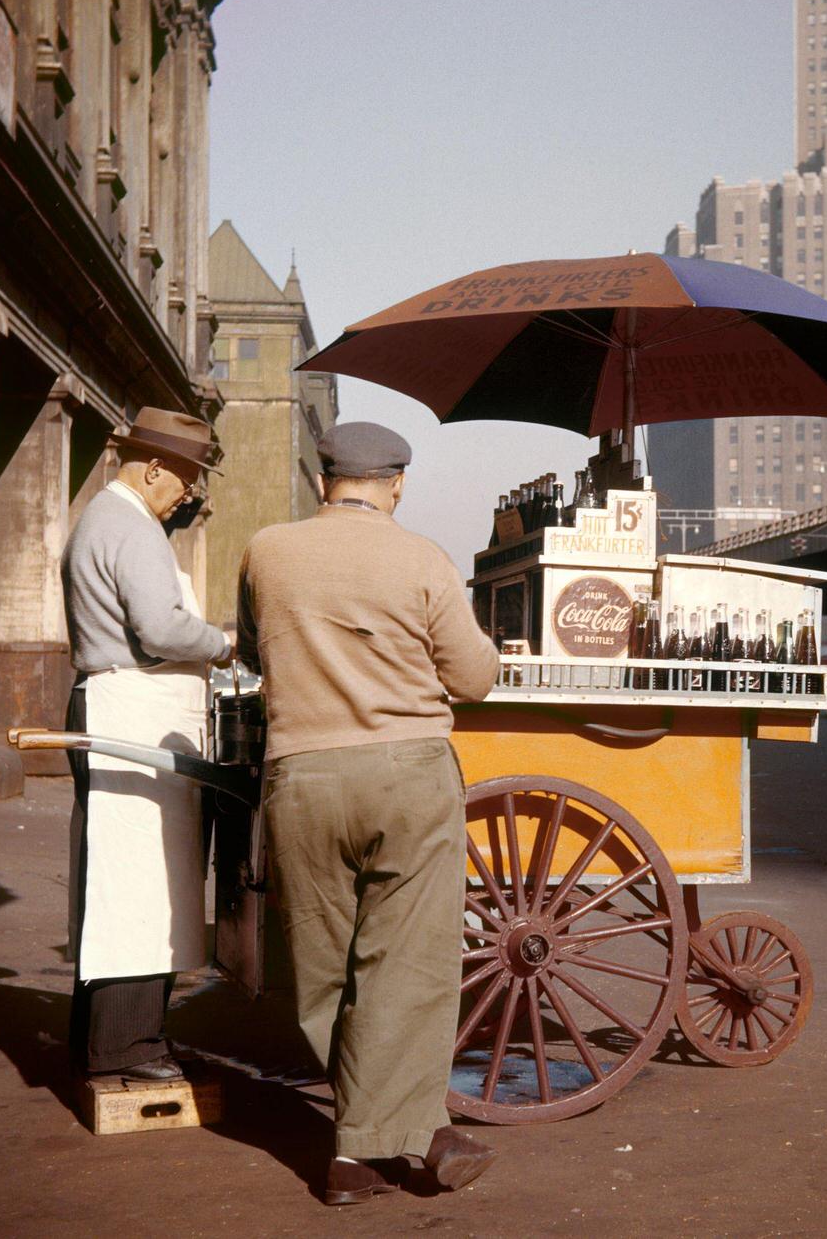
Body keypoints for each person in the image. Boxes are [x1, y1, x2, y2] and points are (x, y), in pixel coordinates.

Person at [237, 421, 501, 1206]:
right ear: (396, 484)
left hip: (302, 775)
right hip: (407, 776)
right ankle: (402, 1140)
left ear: (324, 481)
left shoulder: (266, 550)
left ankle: (363, 1154)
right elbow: (474, 677)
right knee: (408, 968)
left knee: (324, 972)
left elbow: (254, 651)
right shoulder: (423, 557)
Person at [61, 407, 232, 1082]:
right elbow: (160, 629)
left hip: (119, 707)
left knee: (118, 884)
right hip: (129, 712)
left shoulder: (110, 517)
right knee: (138, 888)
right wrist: (221, 642)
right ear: (153, 466)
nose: (189, 491)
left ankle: (106, 1043)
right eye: (187, 476)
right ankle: (128, 1051)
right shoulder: (129, 525)